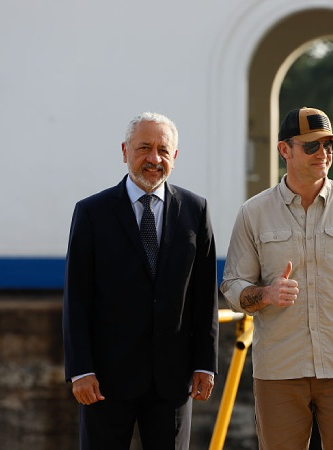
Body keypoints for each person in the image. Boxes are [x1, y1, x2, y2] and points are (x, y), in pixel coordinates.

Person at [220, 106, 333, 449]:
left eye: (329, 145)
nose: (323, 153)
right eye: (312, 146)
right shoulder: (253, 213)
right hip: (279, 373)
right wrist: (267, 294)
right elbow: (232, 285)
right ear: (284, 150)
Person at [63, 112, 219, 450]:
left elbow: (204, 295)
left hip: (173, 380)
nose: (154, 159)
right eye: (144, 148)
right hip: (105, 379)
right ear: (125, 151)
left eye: (163, 150)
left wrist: (205, 364)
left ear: (175, 156)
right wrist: (81, 370)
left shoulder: (196, 210)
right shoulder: (92, 212)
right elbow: (76, 297)